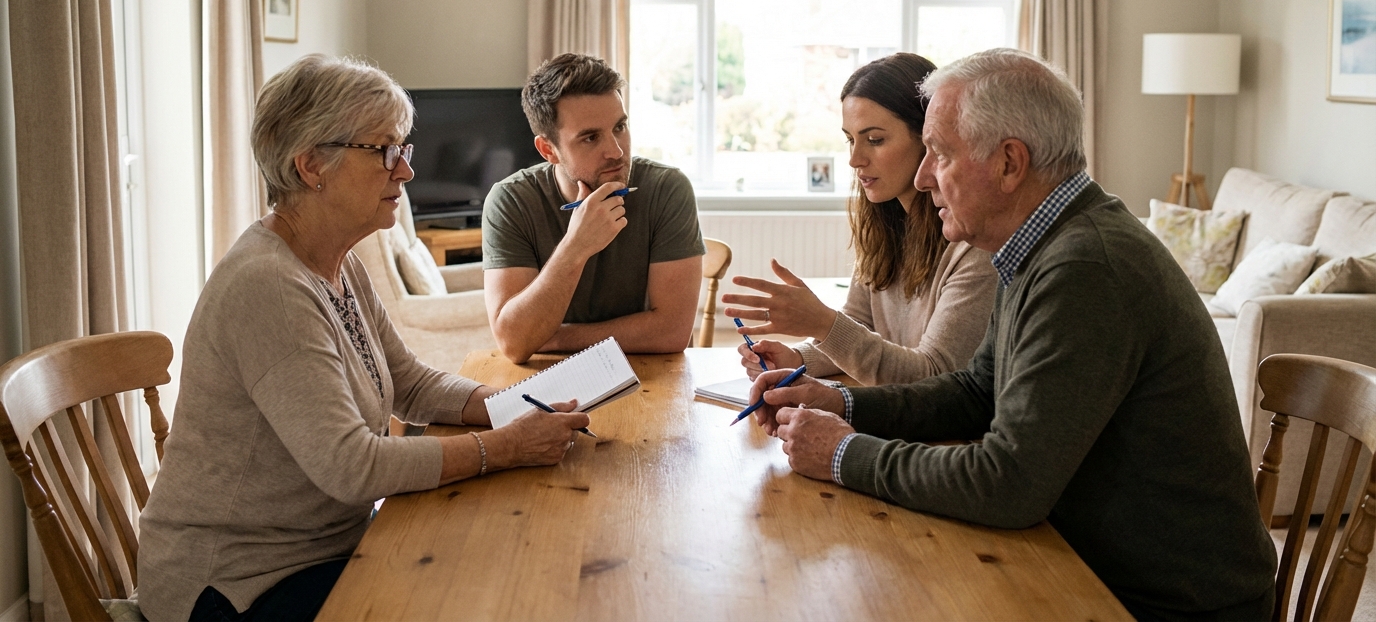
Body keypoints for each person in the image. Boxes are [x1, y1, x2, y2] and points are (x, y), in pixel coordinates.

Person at [747, 48, 1277, 620]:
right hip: (1095, 561)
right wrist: (839, 400)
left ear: (1009, 163)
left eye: (941, 154)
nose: (925, 177)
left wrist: (843, 452)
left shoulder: (1085, 268)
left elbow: (1007, 484)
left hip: (1164, 601)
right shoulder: (1038, 245)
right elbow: (975, 392)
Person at [138, 55, 591, 622]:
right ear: (310, 166)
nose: (404, 171)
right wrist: (505, 446)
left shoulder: (334, 261)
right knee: (480, 589)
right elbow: (352, 467)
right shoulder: (270, 287)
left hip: (320, 547)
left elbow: (410, 382)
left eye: (403, 149)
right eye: (384, 151)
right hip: (238, 581)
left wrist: (516, 406)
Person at [723, 53, 997, 385]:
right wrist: (798, 358)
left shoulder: (975, 245)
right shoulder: (885, 225)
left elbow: (933, 377)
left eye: (875, 140)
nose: (854, 159)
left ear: (929, 137)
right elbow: (859, 326)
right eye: (850, 140)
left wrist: (822, 322)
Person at [483, 53, 705, 363]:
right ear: (549, 149)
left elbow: (672, 332)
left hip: (651, 375)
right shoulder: (511, 201)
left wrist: (555, 336)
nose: (616, 151)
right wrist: (576, 247)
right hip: (553, 380)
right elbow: (514, 343)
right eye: (590, 138)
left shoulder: (667, 189)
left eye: (620, 126)